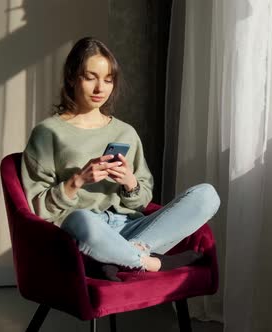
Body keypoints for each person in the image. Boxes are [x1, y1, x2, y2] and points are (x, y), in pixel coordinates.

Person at [21, 37, 220, 281]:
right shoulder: (47, 133)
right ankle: (155, 263)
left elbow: (142, 200)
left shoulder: (125, 132)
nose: (100, 88)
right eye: (90, 77)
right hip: (85, 231)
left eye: (108, 79)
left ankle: (122, 259)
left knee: (206, 195)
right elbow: (35, 208)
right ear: (72, 77)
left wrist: (130, 182)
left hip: (131, 227)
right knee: (80, 218)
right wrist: (78, 181)